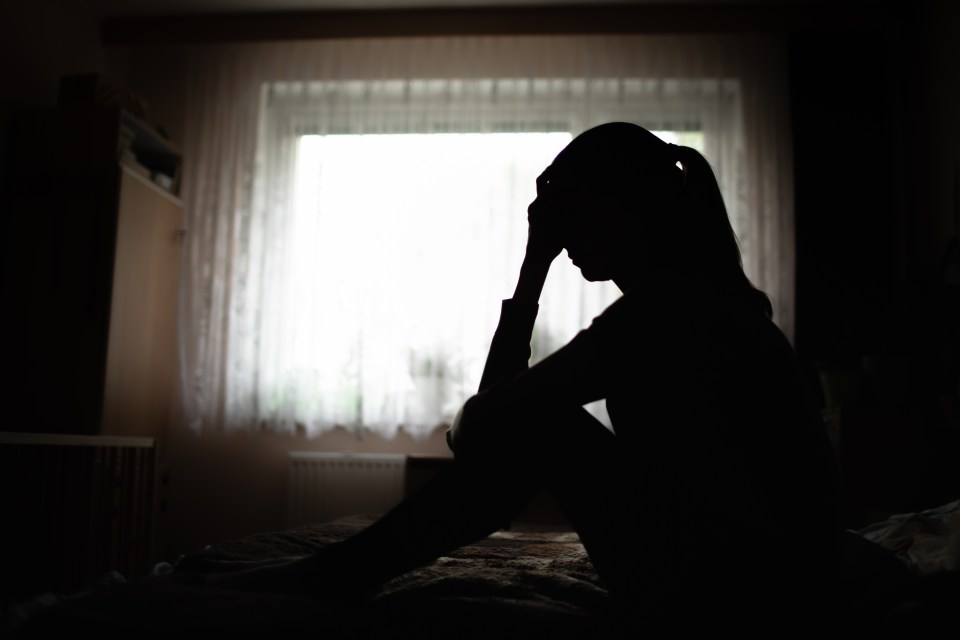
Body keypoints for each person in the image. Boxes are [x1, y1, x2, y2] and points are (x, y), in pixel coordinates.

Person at [176, 122, 843, 631]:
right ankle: (334, 575)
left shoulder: (670, 306)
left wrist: (530, 282)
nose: (557, 232)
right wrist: (533, 269)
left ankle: (331, 577)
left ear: (622, 205)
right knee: (538, 420)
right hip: (750, 577)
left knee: (543, 423)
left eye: (568, 213)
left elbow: (489, 422)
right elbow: (499, 420)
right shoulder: (694, 296)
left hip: (738, 597)